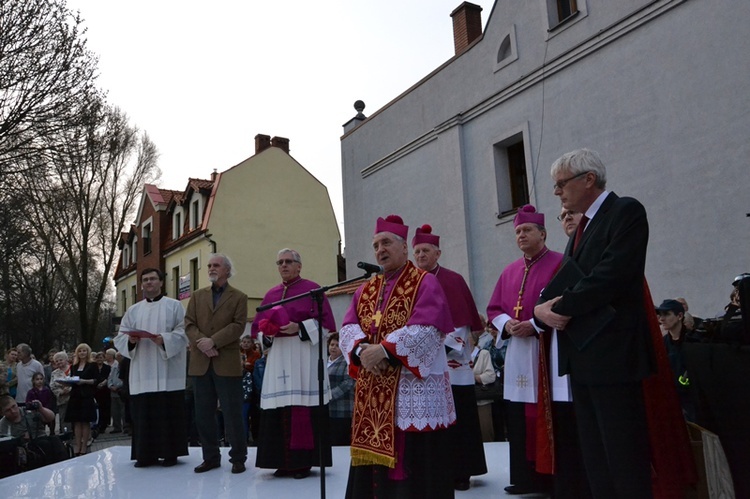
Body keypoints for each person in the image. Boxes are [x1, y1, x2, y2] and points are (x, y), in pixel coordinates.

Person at [534, 148, 655, 498]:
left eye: (561, 184)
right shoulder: (580, 228)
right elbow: (566, 278)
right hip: (583, 355)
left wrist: (559, 307)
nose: (557, 192)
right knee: (596, 459)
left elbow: (611, 274)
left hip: (615, 354)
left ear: (588, 180)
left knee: (623, 457)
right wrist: (540, 311)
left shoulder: (625, 211)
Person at [339, 214, 456, 499]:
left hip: (409, 389)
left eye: (387, 242)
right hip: (373, 388)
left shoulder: (424, 282)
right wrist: (360, 350)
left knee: (414, 460)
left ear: (404, 248)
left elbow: (429, 328)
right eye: (376, 244)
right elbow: (348, 326)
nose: (380, 249)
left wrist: (384, 350)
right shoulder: (366, 289)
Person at [487, 204, 562, 496]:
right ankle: (524, 477)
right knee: (519, 415)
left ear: (542, 233)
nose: (521, 235)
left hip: (548, 349)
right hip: (518, 352)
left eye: (527, 230)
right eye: (518, 231)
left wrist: (534, 324)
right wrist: (507, 325)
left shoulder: (560, 264)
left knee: (547, 412)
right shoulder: (509, 271)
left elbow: (564, 303)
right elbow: (493, 308)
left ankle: (552, 478)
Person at [412, 224, 487, 490]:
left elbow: (461, 325)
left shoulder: (452, 280)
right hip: (420, 363)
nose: (420, 255)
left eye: (426, 250)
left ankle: (461, 472)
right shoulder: (411, 283)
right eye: (417, 251)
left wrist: (430, 348)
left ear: (438, 253)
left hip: (451, 364)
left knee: (459, 418)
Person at [252, 248, 335, 479]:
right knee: (279, 408)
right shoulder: (270, 295)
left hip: (303, 356)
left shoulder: (313, 290)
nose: (284, 265)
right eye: (280, 262)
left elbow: (327, 326)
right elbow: (257, 331)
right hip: (278, 357)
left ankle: (302, 463)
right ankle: (281, 461)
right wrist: (267, 333)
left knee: (301, 407)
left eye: (289, 261)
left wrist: (299, 328)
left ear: (299, 266)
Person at [114, 267, 189, 467]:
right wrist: (130, 340)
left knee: (167, 413)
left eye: (153, 279)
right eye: (145, 280)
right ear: (141, 285)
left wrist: (163, 339)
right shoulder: (133, 310)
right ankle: (145, 455)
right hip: (142, 372)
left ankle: (170, 453)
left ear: (161, 282)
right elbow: (120, 337)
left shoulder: (175, 306)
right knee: (144, 414)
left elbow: (184, 333)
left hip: (168, 372)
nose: (149, 282)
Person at [185, 253, 248, 474]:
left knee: (232, 414)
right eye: (210, 265)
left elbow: (238, 326)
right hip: (201, 363)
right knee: (203, 414)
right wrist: (202, 343)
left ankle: (238, 457)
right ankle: (210, 457)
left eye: (216, 265)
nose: (211, 268)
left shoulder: (239, 297)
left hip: (226, 363)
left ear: (227, 270)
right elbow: (189, 324)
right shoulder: (197, 296)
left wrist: (214, 341)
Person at [656, 299, 698, 421]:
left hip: (693, 401)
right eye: (660, 315)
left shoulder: (695, 341)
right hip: (673, 400)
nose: (661, 319)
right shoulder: (663, 344)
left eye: (667, 314)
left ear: (680, 316)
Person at [64, 343, 98, 456]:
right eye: (80, 351)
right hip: (75, 395)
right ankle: (77, 445)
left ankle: (84, 446)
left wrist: (84, 381)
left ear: (88, 352)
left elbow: (96, 380)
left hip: (86, 395)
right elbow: (73, 378)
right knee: (77, 422)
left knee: (85, 421)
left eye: (84, 351)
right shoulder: (74, 366)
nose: (82, 353)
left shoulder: (92, 365)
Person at [326, 332, 355, 446]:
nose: (333, 348)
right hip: (327, 411)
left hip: (342, 411)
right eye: (332, 344)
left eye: (337, 345)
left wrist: (329, 395)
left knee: (340, 443)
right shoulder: (324, 361)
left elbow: (349, 382)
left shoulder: (346, 362)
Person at [471, 335, 497, 442]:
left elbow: (491, 375)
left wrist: (475, 378)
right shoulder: (457, 355)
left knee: (485, 430)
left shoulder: (483, 354)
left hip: (482, 399)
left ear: (473, 340)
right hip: (465, 399)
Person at [50, 351, 72, 432]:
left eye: (61, 360)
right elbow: (52, 386)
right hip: (62, 400)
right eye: (56, 361)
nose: (59, 362)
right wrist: (61, 392)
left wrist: (69, 390)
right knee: (64, 419)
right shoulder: (54, 373)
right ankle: (66, 437)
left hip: (74, 398)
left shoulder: (73, 369)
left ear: (66, 360)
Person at [92, 352, 111, 435]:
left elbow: (109, 377)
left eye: (101, 357)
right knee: (97, 408)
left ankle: (104, 425)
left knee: (105, 408)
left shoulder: (107, 367)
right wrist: (97, 384)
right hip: (95, 390)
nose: (99, 359)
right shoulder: (93, 367)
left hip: (105, 390)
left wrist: (104, 383)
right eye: (98, 357)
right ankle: (97, 425)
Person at [105, 349, 124, 434]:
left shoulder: (124, 366)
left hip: (121, 390)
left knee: (123, 409)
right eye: (118, 357)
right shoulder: (114, 367)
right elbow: (110, 378)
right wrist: (111, 386)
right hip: (113, 391)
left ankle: (125, 426)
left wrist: (118, 386)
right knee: (114, 410)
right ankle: (116, 426)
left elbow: (124, 378)